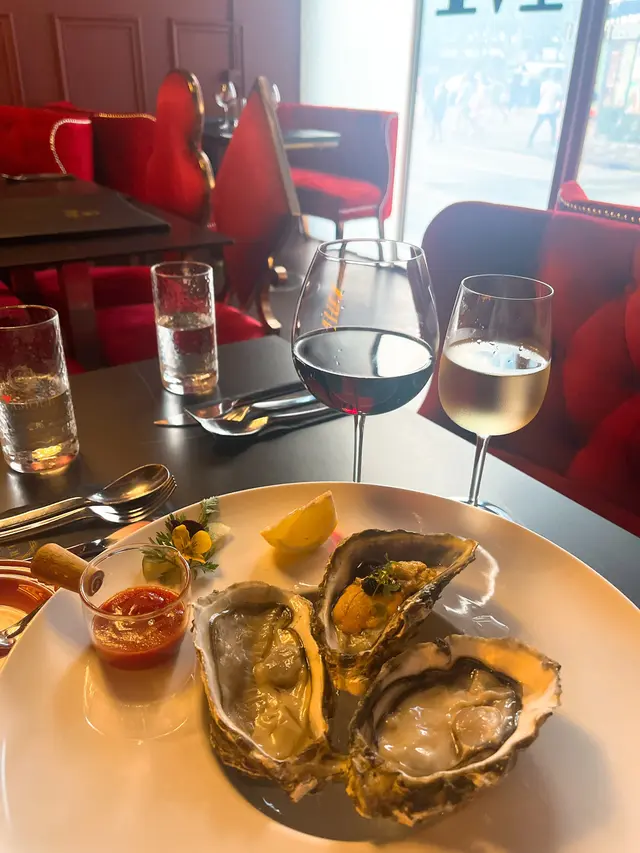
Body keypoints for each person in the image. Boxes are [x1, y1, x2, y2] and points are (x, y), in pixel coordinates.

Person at [528, 71, 563, 147]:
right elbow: (559, 99)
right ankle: (552, 143)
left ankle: (530, 139)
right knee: (553, 127)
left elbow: (541, 95)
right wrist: (559, 109)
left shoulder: (545, 84)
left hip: (543, 108)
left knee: (538, 125)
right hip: (551, 109)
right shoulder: (558, 87)